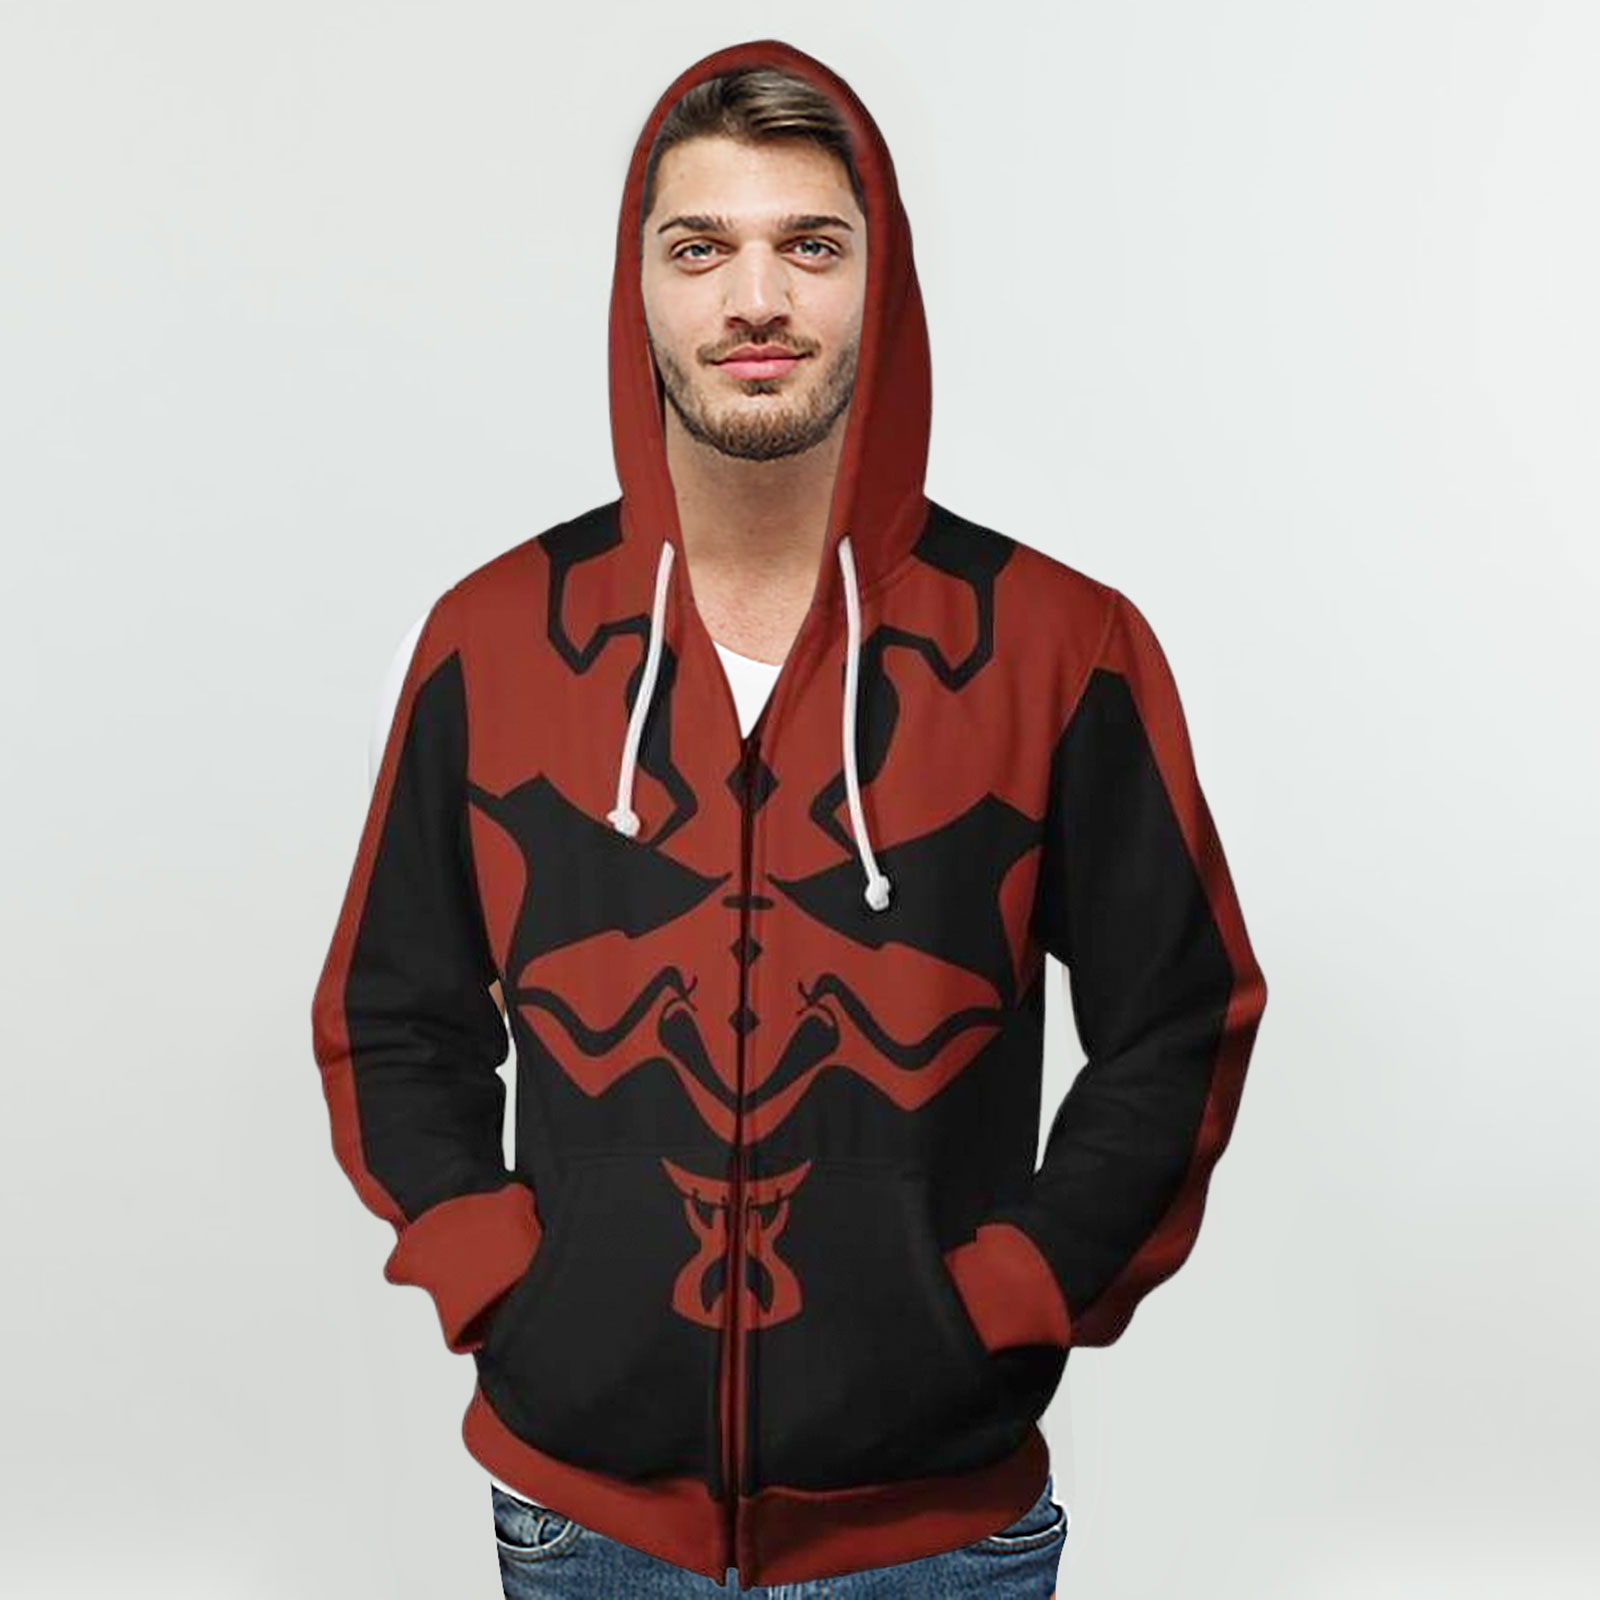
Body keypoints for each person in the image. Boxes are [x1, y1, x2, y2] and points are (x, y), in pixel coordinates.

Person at [312, 37, 1268, 1599]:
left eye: (810, 247)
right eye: (701, 249)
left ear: (882, 287)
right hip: (584, 1526)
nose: (755, 299)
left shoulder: (1057, 645)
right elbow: (389, 1012)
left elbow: (1182, 1018)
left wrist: (1019, 1292)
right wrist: (495, 1273)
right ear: (637, 291)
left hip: (939, 1536)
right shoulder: (492, 641)